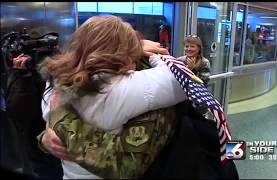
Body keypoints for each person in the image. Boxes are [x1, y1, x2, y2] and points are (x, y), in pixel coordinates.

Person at [38, 15, 187, 179]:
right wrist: (154, 56)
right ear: (122, 54)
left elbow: (52, 131)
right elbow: (180, 82)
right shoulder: (118, 89)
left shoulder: (55, 86)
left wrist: (45, 136)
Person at [5, 53, 63, 178]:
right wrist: (21, 76)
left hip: (63, 150)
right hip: (39, 150)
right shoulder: (22, 72)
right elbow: (17, 113)